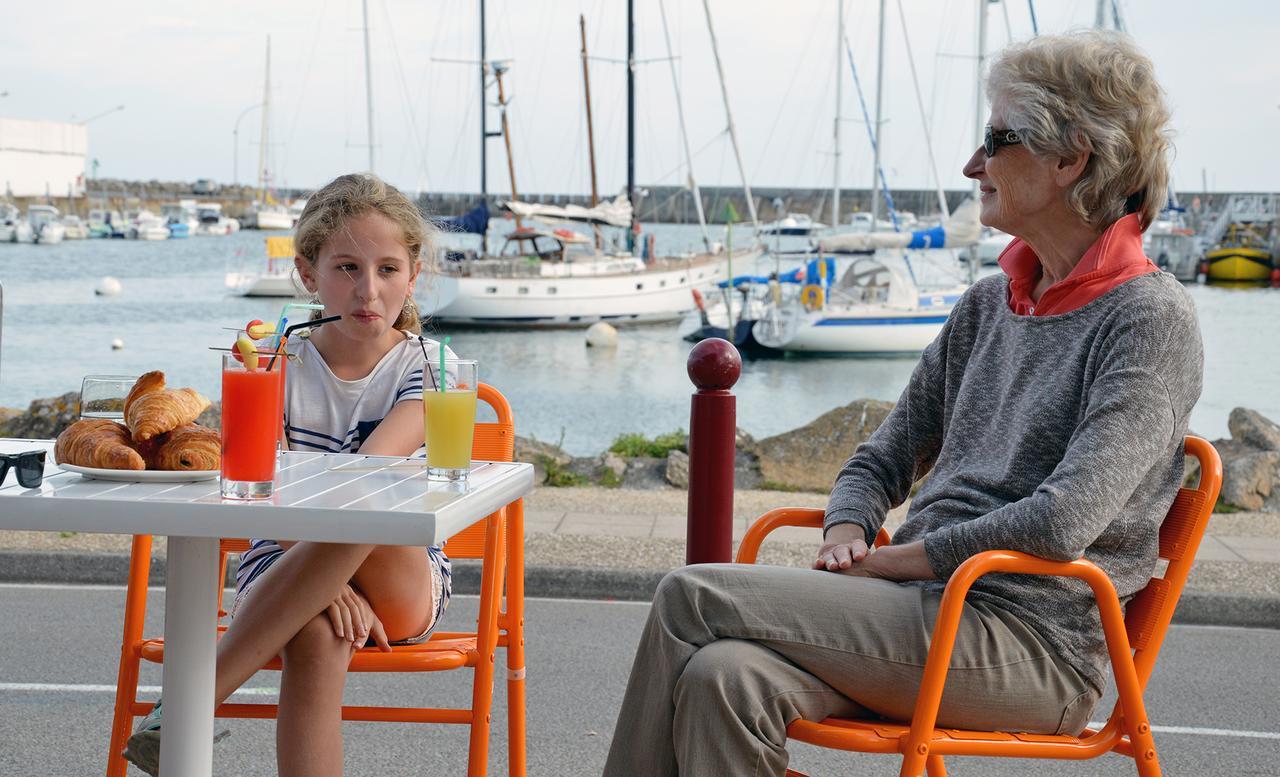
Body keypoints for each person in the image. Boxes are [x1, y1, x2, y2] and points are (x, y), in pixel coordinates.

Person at [603, 30, 1203, 777]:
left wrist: (889, 563)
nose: (971, 165)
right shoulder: (989, 306)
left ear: (1070, 158)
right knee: (722, 678)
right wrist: (849, 526)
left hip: (1030, 646)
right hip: (926, 616)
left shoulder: (1148, 320)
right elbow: (881, 457)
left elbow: (1061, 521)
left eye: (996, 139)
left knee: (689, 593)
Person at [124, 173, 454, 776]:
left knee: (363, 502)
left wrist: (329, 576)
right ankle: (189, 710)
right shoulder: (268, 361)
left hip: (399, 570)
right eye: (347, 268)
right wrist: (327, 586)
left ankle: (187, 709)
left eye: (387, 269)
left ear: (414, 274)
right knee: (315, 638)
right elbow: (261, 496)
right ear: (308, 275)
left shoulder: (430, 367)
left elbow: (364, 485)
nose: (369, 291)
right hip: (277, 561)